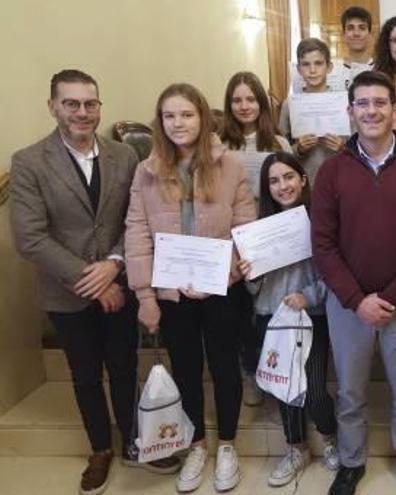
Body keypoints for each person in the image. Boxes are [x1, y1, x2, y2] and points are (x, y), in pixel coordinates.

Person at [10, 69, 181, 495]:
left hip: (119, 282)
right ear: (53, 107)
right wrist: (93, 279)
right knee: (85, 374)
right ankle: (101, 449)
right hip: (66, 294)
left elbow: (136, 219)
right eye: (71, 104)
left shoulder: (124, 157)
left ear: (99, 107)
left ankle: (134, 440)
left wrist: (114, 263)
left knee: (124, 365)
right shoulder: (29, 162)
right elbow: (30, 237)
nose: (82, 113)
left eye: (90, 104)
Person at [311, 71, 396, 495]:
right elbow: (323, 245)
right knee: (350, 391)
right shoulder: (331, 172)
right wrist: (357, 300)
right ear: (350, 112)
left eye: (380, 103)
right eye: (363, 104)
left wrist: (389, 296)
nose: (371, 111)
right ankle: (351, 463)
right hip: (348, 304)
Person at [124, 82, 257, 493]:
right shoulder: (145, 171)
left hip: (220, 290)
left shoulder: (231, 165)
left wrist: (222, 274)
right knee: (185, 368)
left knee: (223, 366)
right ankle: (197, 444)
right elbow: (137, 231)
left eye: (186, 114)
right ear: (160, 122)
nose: (178, 123)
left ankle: (228, 445)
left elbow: (244, 228)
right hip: (171, 294)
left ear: (202, 117)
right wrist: (145, 295)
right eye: (169, 116)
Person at [237, 152, 339, 487]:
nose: (283, 186)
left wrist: (308, 297)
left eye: (289, 177)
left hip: (313, 316)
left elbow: (337, 273)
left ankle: (330, 438)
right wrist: (249, 276)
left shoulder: (321, 221)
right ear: (266, 188)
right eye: (274, 181)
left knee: (314, 392)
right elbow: (254, 292)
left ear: (303, 179)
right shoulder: (256, 228)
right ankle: (296, 449)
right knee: (284, 390)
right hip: (272, 317)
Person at [220, 70, 292, 408]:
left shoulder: (278, 143)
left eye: (251, 98)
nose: (244, 106)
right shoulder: (218, 144)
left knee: (265, 307)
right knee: (238, 311)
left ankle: (274, 369)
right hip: (230, 238)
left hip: (268, 238)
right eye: (237, 100)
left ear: (262, 102)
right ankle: (250, 372)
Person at [289, 38, 348, 184]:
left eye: (318, 63)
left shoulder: (344, 102)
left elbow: (359, 145)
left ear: (329, 67)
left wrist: (343, 147)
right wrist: (299, 149)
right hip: (304, 182)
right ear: (299, 69)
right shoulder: (289, 105)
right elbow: (281, 150)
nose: (313, 70)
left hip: (340, 178)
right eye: (306, 64)